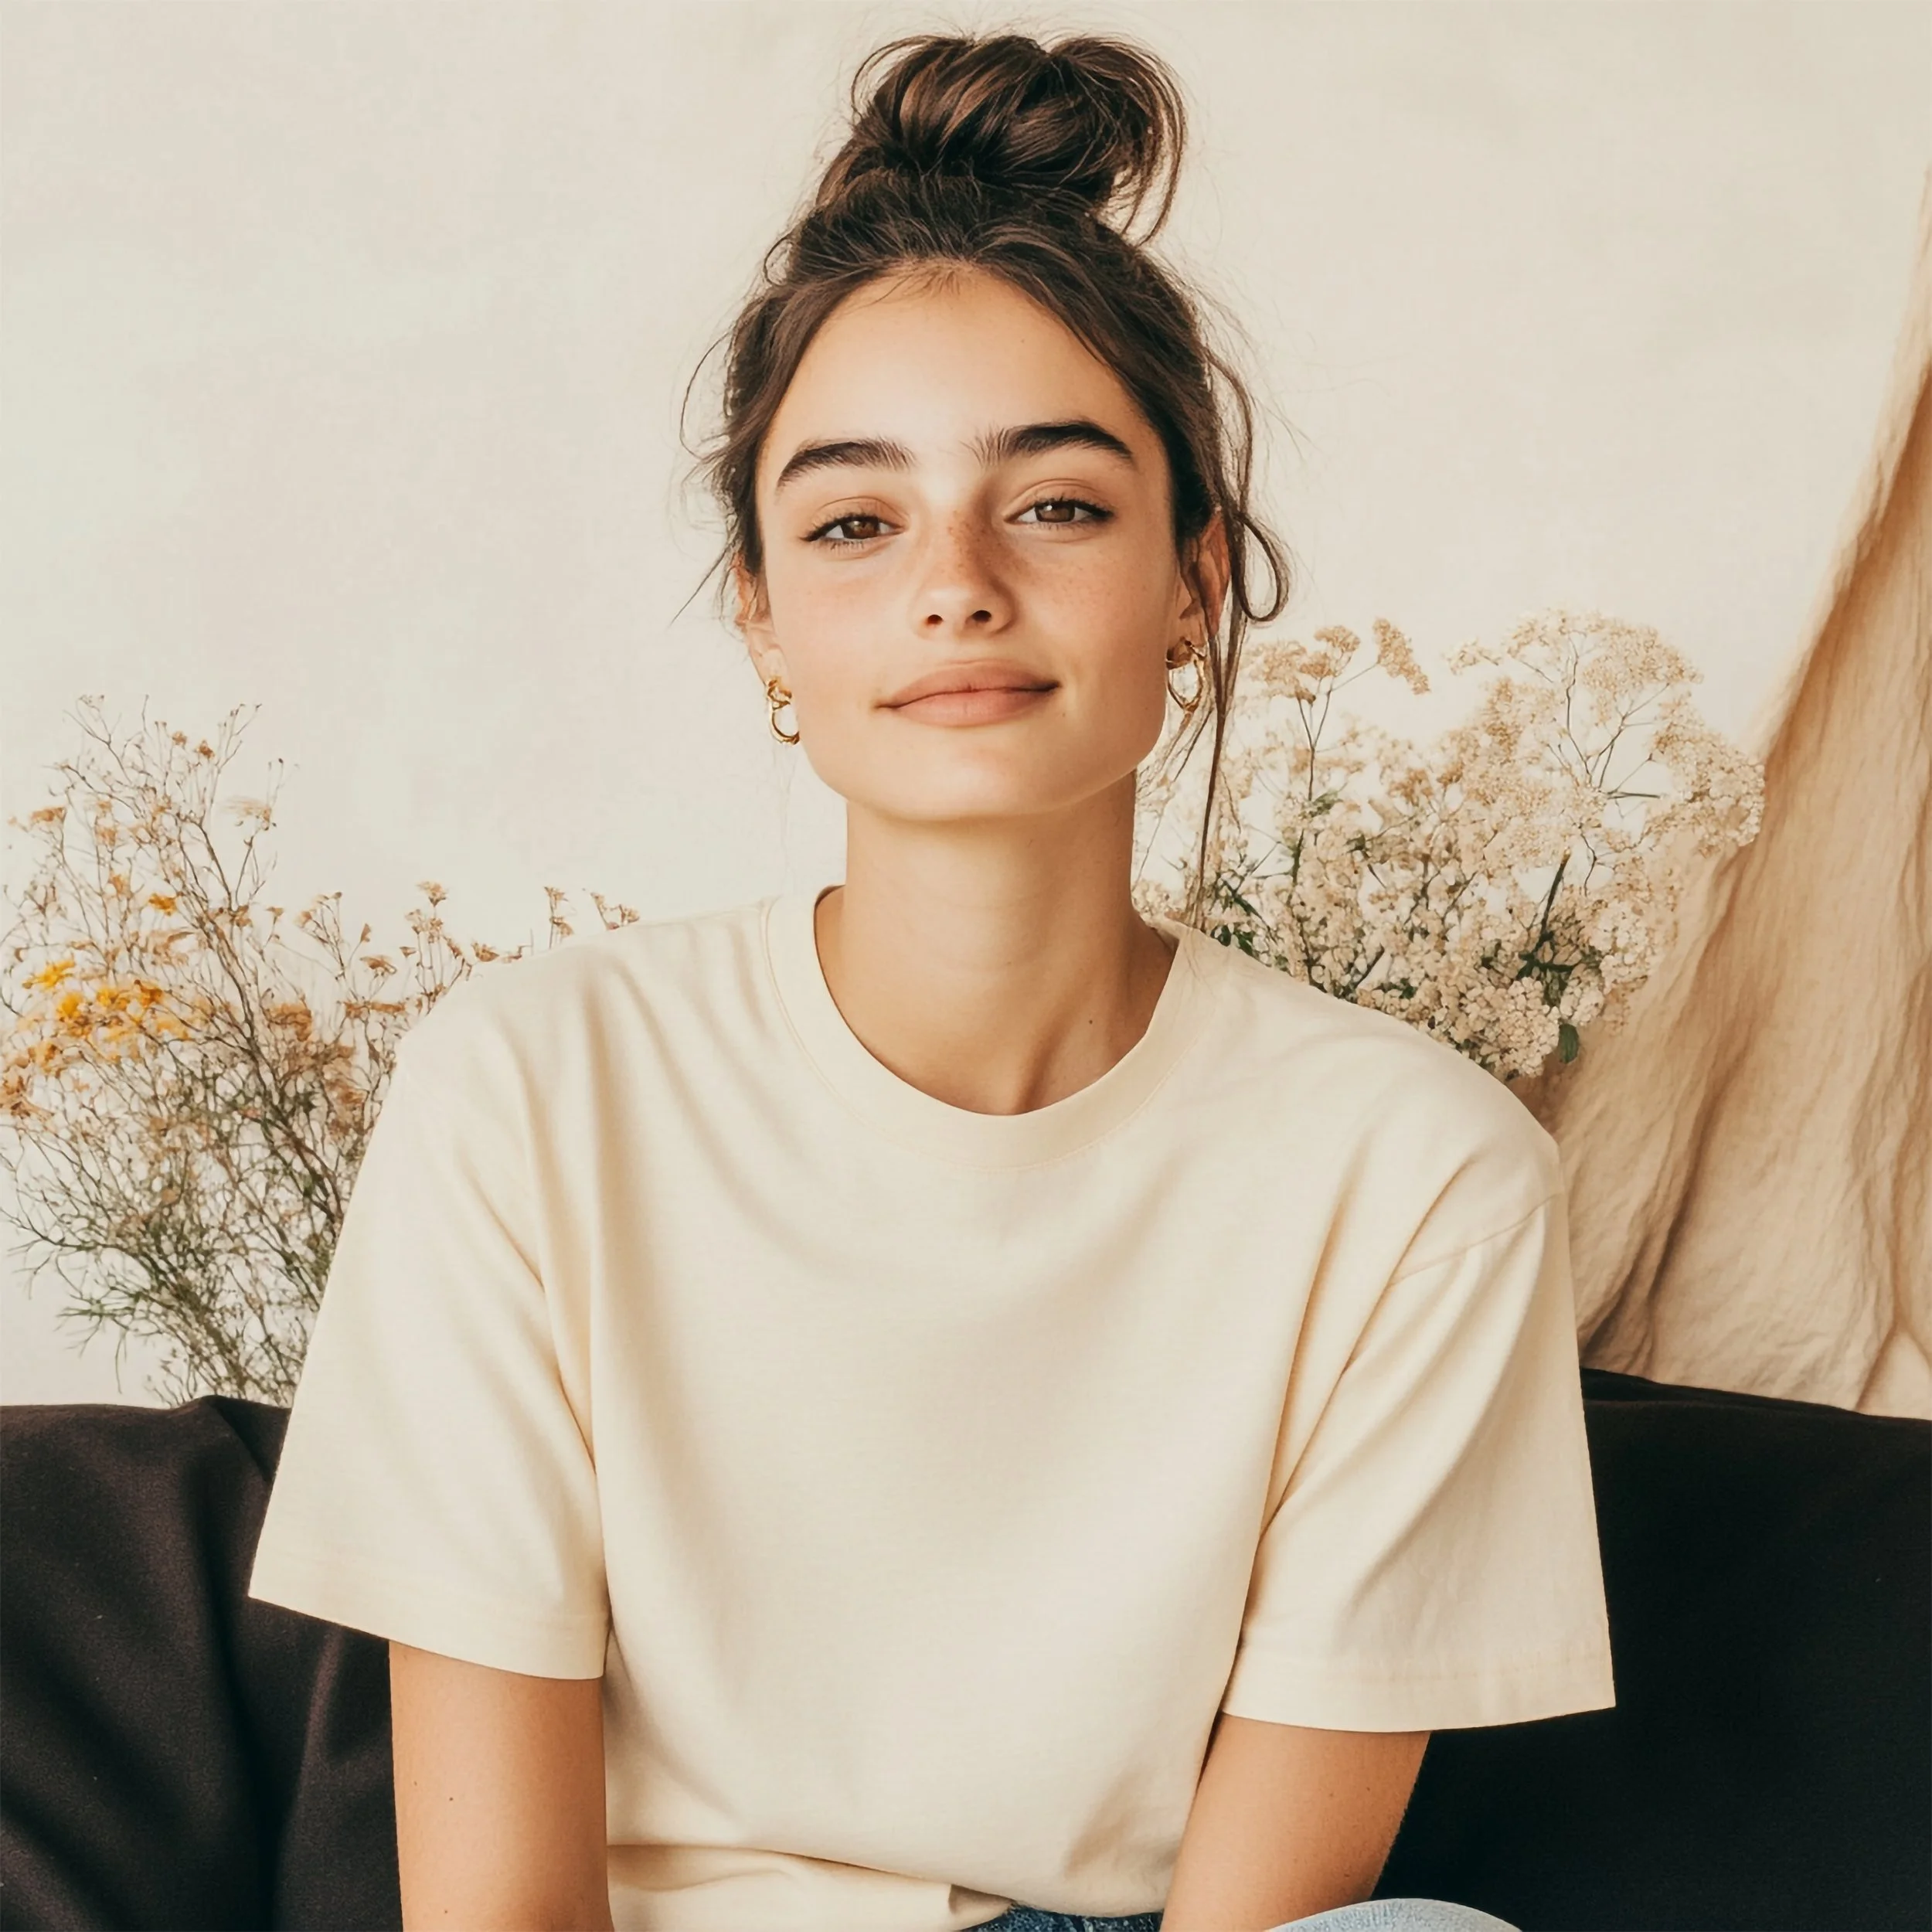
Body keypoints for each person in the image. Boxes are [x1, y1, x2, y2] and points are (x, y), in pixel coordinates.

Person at [248, 30, 1615, 1932]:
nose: (954, 584)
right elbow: (492, 1901)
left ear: (1193, 585)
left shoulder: (1416, 1172)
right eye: (852, 520)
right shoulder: (531, 1085)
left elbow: (1268, 1908)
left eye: (1054, 503)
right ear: (762, 615)